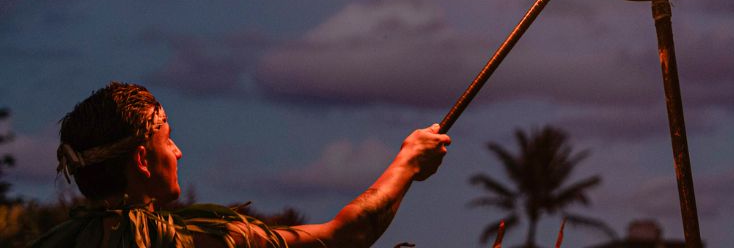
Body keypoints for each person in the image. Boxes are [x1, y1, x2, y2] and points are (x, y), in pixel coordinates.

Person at [31, 81, 451, 247]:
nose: (177, 152)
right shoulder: (199, 242)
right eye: (168, 138)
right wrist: (408, 163)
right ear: (142, 158)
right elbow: (345, 236)